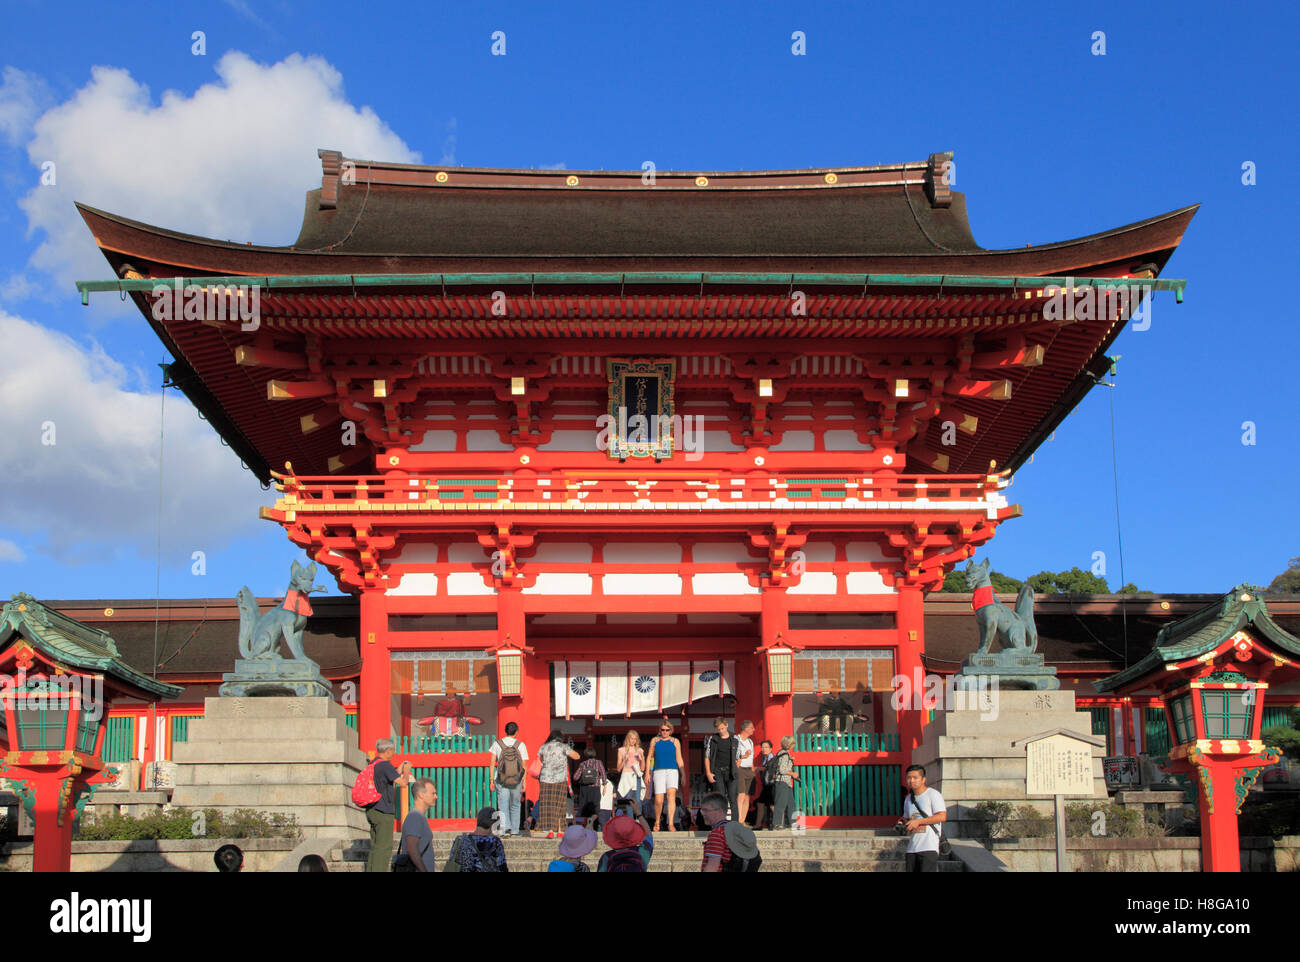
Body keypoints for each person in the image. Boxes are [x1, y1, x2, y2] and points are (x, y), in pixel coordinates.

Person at [364, 738, 412, 872]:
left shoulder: (373, 764)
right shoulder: (385, 765)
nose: (394, 754)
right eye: (393, 751)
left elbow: (388, 780)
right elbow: (403, 783)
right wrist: (406, 771)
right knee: (384, 848)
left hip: (372, 810)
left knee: (375, 847)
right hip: (383, 811)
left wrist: (398, 770)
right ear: (388, 750)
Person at [899, 764, 946, 873]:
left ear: (923, 779)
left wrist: (919, 821)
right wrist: (901, 822)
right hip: (912, 847)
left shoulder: (933, 795)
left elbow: (942, 816)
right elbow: (906, 817)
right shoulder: (908, 799)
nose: (911, 781)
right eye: (909, 778)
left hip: (928, 846)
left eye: (915, 778)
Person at [699, 792, 762, 872]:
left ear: (719, 811)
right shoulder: (734, 830)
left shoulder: (717, 833)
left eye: (706, 810)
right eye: (702, 810)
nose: (703, 814)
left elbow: (713, 866)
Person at [536, 730, 580, 838]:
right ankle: (560, 830)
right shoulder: (563, 746)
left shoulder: (544, 747)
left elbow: (540, 759)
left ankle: (550, 830)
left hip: (545, 779)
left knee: (548, 805)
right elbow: (577, 756)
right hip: (560, 779)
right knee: (560, 804)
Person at [488, 721, 528, 836]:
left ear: (506, 731)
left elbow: (492, 763)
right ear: (516, 732)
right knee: (515, 804)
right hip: (517, 779)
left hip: (501, 778)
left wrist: (491, 779)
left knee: (503, 803)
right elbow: (524, 765)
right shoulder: (520, 745)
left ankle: (505, 829)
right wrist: (524, 781)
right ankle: (515, 830)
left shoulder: (497, 744)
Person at [596, 795, 654, 872]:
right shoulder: (641, 852)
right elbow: (649, 836)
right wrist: (638, 813)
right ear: (634, 833)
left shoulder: (606, 857)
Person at [393, 776, 438, 872]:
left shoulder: (419, 817)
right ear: (421, 795)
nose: (436, 796)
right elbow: (411, 847)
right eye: (433, 793)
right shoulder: (415, 817)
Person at [646, 719, 685, 832]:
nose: (665, 732)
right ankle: (657, 821)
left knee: (671, 797)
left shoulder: (675, 741)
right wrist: (647, 773)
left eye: (667, 730)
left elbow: (679, 758)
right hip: (659, 771)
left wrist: (683, 774)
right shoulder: (655, 741)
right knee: (658, 799)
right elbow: (649, 757)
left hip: (672, 770)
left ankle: (671, 822)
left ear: (670, 730)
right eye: (663, 730)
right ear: (659, 730)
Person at [445, 806, 510, 872]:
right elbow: (502, 867)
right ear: (493, 825)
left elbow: (452, 862)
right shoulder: (494, 842)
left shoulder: (460, 840)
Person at [704, 717, 739, 819]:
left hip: (731, 771)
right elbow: (707, 757)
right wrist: (708, 773)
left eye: (722, 728)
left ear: (726, 725)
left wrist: (736, 767)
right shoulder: (713, 739)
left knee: (733, 798)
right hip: (717, 771)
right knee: (720, 798)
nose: (721, 731)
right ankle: (720, 821)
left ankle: (735, 822)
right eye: (719, 729)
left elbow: (738, 756)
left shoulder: (735, 739)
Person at [572, 746, 607, 824]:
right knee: (595, 807)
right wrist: (605, 785)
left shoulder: (583, 764)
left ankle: (585, 824)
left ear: (586, 754)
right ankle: (592, 823)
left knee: (585, 808)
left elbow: (575, 777)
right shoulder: (598, 763)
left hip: (584, 789)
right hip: (595, 788)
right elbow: (604, 774)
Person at [771, 735, 798, 830]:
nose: (794, 745)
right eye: (793, 743)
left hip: (786, 783)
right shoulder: (785, 755)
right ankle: (777, 823)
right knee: (781, 803)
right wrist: (792, 774)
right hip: (783, 781)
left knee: (791, 803)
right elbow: (782, 770)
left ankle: (793, 822)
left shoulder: (781, 753)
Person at [734, 720, 756, 825]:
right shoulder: (736, 739)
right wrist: (743, 756)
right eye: (751, 728)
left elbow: (751, 758)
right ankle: (738, 819)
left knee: (747, 796)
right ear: (745, 728)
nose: (753, 730)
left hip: (748, 769)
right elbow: (733, 755)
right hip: (740, 768)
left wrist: (753, 770)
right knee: (741, 794)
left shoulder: (750, 741)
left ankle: (742, 819)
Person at [616, 730, 646, 803]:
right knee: (629, 800)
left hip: (637, 776)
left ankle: (638, 814)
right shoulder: (621, 750)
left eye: (635, 739)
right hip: (626, 776)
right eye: (631, 738)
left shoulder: (639, 750)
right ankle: (629, 815)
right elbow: (618, 769)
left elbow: (642, 769)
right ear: (628, 739)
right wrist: (624, 760)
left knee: (637, 800)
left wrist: (642, 759)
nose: (633, 741)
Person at [752, 739, 776, 829]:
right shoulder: (765, 758)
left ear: (771, 749)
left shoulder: (772, 758)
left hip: (771, 785)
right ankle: (759, 824)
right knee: (761, 803)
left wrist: (760, 768)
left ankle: (777, 823)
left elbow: (770, 769)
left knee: (771, 804)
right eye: (762, 747)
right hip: (766, 785)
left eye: (766, 747)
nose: (763, 749)